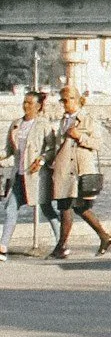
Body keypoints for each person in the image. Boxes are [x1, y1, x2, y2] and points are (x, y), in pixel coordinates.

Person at [46, 86, 111, 258]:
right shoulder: (63, 120)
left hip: (79, 172)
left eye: (66, 99)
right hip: (63, 171)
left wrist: (79, 137)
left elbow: (97, 144)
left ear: (76, 100)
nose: (63, 103)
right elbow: (56, 146)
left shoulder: (88, 119)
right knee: (74, 208)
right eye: (61, 100)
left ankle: (60, 247)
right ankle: (104, 236)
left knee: (71, 208)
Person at [2, 90, 53, 259]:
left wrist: (42, 159)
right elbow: (9, 150)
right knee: (11, 208)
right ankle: (3, 246)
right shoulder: (16, 124)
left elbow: (52, 148)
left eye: (30, 103)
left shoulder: (43, 124)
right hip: (19, 174)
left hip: (36, 175)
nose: (26, 106)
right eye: (24, 102)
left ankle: (62, 243)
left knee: (46, 208)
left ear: (38, 106)